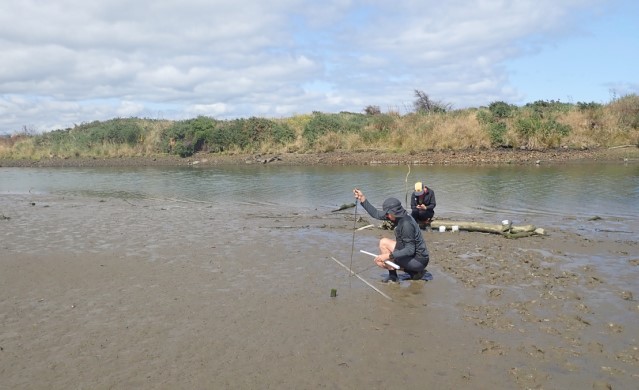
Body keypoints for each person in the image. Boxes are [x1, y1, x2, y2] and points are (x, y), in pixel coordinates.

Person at [353, 188, 430, 283]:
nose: (386, 216)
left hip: (419, 260)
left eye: (388, 213)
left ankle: (413, 272)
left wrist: (388, 256)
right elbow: (376, 214)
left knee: (381, 261)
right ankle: (393, 276)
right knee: (383, 242)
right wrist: (362, 198)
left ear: (394, 212)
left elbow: (410, 250)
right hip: (411, 253)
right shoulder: (396, 216)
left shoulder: (406, 224)